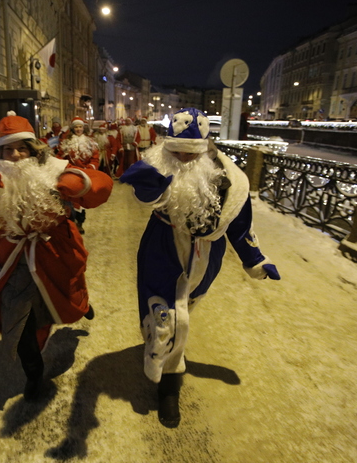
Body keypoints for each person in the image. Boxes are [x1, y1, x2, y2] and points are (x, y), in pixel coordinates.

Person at [119, 107, 280, 428]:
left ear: (205, 150)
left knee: (183, 314)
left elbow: (239, 223)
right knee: (166, 315)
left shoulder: (231, 180)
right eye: (175, 151)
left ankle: (164, 361)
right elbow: (145, 193)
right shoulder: (156, 165)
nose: (181, 159)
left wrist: (256, 260)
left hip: (205, 258)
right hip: (161, 249)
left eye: (189, 154)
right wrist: (147, 186)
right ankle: (169, 387)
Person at [0, 112, 113, 400]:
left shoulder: (54, 168)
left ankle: (81, 302)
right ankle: (33, 373)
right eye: (8, 149)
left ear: (33, 148)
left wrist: (81, 181)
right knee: (19, 316)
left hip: (56, 250)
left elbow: (101, 187)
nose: (15, 155)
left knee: (67, 291)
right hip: (12, 256)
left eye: (22, 147)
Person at [57, 117, 100, 233]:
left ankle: (80, 223)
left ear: (83, 128)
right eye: (76, 127)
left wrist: (90, 168)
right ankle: (71, 223)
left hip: (84, 174)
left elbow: (95, 158)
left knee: (81, 200)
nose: (78, 129)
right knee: (70, 199)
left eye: (80, 127)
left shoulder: (90, 142)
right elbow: (60, 156)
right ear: (72, 129)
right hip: (70, 174)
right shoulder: (67, 142)